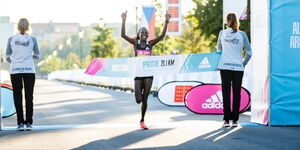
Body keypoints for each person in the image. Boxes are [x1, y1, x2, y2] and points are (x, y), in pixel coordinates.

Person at [121, 11, 171, 130]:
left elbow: (162, 35)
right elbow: (123, 35)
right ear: (138, 34)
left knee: (145, 99)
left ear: (148, 35)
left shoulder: (150, 43)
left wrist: (166, 21)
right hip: (138, 74)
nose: (144, 33)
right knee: (138, 100)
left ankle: (142, 121)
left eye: (145, 32)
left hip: (148, 74)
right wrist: (123, 20)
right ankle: (141, 98)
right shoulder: (135, 43)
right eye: (141, 32)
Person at [217, 13, 252, 127]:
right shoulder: (242, 34)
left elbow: (219, 51)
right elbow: (249, 53)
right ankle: (235, 121)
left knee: (226, 93)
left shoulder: (222, 33)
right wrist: (243, 64)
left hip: (224, 67)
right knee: (237, 93)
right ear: (237, 20)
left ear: (227, 21)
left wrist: (219, 63)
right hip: (238, 67)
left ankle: (226, 120)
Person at [6, 18, 40, 131]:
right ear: (29, 26)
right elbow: (38, 55)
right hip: (29, 70)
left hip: (15, 70)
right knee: (29, 97)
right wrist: (28, 58)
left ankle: (20, 122)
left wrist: (16, 61)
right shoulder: (33, 39)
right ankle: (29, 122)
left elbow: (7, 56)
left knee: (17, 96)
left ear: (17, 26)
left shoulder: (11, 39)